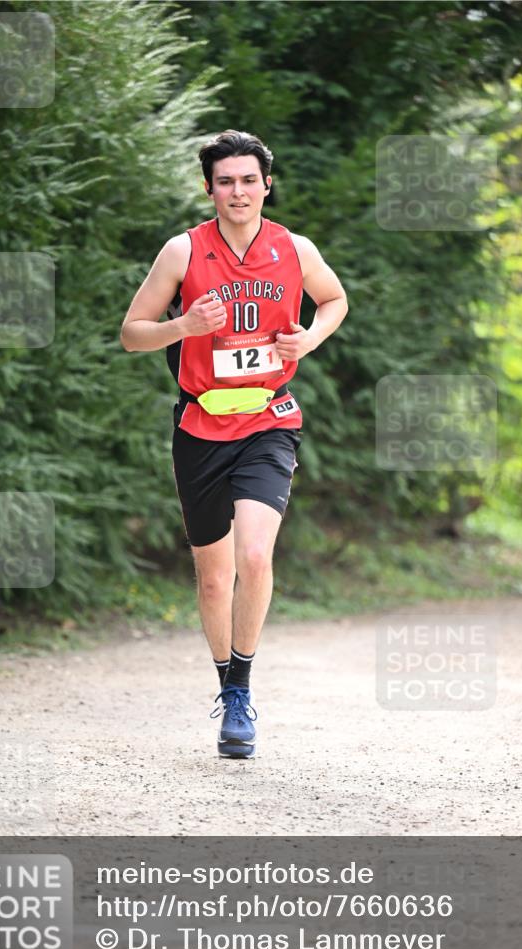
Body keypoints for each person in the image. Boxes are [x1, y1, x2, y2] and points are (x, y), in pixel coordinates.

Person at [120, 129, 348, 759]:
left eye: (249, 179)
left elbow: (334, 300)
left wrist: (308, 339)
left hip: (269, 420)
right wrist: (183, 326)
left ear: (266, 184)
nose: (238, 191)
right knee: (215, 580)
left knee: (254, 554)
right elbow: (132, 334)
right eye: (226, 181)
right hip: (199, 428)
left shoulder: (294, 250)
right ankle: (226, 682)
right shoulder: (182, 252)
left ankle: (241, 693)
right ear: (209, 188)